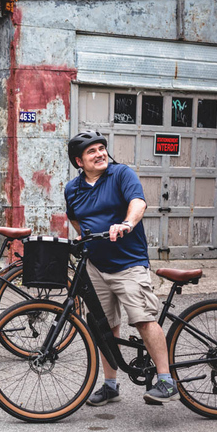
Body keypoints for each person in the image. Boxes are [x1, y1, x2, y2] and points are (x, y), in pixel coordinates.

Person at [64, 129, 178, 406]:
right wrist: (87, 236)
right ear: (79, 161)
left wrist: (126, 223)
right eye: (92, 151)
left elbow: (138, 203)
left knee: (142, 318)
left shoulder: (121, 174)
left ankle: (166, 380)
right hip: (96, 266)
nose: (100, 153)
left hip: (129, 262)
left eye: (102, 148)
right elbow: (76, 219)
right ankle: (110, 384)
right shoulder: (72, 189)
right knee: (105, 326)